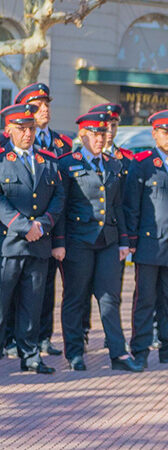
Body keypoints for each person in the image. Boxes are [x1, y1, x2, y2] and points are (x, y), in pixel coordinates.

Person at [53, 112, 142, 372]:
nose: (101, 139)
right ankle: (75, 353)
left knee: (109, 298)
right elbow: (61, 207)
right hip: (78, 240)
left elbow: (118, 206)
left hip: (108, 241)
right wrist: (59, 242)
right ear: (83, 135)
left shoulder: (113, 164)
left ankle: (118, 353)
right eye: (95, 134)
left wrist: (124, 240)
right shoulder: (68, 164)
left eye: (104, 133)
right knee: (76, 297)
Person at [123, 109, 168, 368]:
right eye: (165, 132)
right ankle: (141, 351)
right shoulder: (143, 162)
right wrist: (131, 241)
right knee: (145, 300)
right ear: (154, 133)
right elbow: (132, 205)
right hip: (148, 243)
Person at [0, 103, 64, 373]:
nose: (27, 134)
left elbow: (59, 196)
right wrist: (23, 225)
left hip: (39, 244)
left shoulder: (47, 161)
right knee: (2, 304)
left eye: (31, 128)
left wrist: (44, 223)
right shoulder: (2, 160)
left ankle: (30, 354)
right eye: (21, 129)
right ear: (8, 130)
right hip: (10, 245)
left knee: (32, 303)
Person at [14, 83, 72, 358]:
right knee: (17, 285)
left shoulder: (62, 143)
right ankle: (15, 338)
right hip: (19, 229)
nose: (45, 109)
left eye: (47, 104)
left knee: (47, 285)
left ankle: (44, 336)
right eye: (38, 106)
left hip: (52, 222)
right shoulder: (12, 143)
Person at [83, 102, 133, 348]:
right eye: (105, 127)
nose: (109, 132)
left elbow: (125, 203)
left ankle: (111, 340)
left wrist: (126, 238)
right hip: (84, 236)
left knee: (112, 292)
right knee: (80, 292)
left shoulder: (125, 159)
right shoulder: (77, 156)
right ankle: (81, 333)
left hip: (112, 235)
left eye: (113, 126)